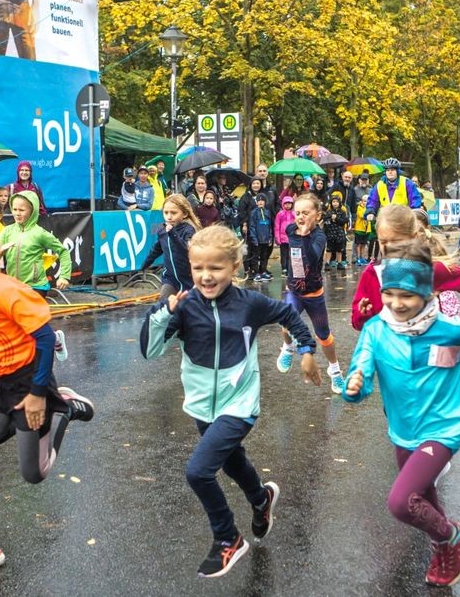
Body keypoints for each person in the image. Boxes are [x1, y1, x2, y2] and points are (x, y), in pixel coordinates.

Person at [342, 239, 460, 587]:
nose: (396, 304)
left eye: (407, 296)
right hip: (402, 430)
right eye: (390, 294)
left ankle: (449, 537)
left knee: (401, 502)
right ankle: (444, 546)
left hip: (443, 427)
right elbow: (361, 375)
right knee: (424, 497)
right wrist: (353, 387)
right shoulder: (375, 330)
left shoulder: (451, 328)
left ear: (427, 294)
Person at [139, 225, 321, 579]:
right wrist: (162, 313)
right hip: (202, 405)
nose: (206, 277)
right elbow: (149, 351)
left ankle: (228, 538)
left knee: (198, 471)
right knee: (231, 461)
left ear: (234, 266)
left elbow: (286, 314)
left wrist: (307, 350)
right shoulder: (184, 307)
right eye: (198, 269)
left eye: (216, 268)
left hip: (240, 404)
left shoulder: (249, 303)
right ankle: (261, 499)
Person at [0, 215, 95, 575]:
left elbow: (43, 338)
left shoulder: (8, 290)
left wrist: (40, 393)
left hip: (28, 385)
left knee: (33, 475)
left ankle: (63, 408)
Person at [352, 205, 460, 330]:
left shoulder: (427, 268)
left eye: (397, 241)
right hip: (387, 350)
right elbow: (357, 323)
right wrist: (363, 314)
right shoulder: (372, 273)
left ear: (413, 237)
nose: (389, 247)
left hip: (428, 349)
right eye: (383, 241)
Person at [275, 193, 342, 391]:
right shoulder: (290, 230)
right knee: (285, 321)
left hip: (314, 295)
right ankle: (288, 347)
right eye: (297, 213)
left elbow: (312, 259)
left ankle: (335, 369)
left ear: (318, 215)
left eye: (306, 212)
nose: (300, 216)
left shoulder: (319, 236)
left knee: (324, 336)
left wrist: (305, 236)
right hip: (294, 291)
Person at [0, 192, 72, 299]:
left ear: (32, 211)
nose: (17, 213)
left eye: (22, 210)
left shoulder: (39, 233)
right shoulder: (7, 231)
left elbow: (63, 251)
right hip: (14, 285)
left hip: (36, 286)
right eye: (14, 209)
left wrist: (64, 276)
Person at [140, 194, 200, 299]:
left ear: (184, 214)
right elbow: (157, 249)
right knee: (164, 305)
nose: (169, 217)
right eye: (166, 213)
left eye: (173, 213)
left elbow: (186, 250)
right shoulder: (162, 229)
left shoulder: (188, 230)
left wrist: (173, 234)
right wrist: (146, 263)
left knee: (189, 308)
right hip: (170, 278)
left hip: (188, 278)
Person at [246, 194, 274, 282]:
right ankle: (256, 272)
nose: (261, 202)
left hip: (265, 239)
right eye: (259, 200)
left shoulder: (267, 212)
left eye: (262, 200)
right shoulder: (254, 212)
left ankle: (263, 271)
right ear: (256, 202)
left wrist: (270, 237)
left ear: (265, 202)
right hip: (257, 239)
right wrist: (254, 238)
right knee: (255, 256)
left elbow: (269, 226)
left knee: (264, 256)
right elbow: (252, 226)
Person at [324, 192, 350, 270]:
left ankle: (339, 262)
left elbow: (345, 221)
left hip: (339, 233)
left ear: (339, 203)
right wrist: (330, 220)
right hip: (331, 233)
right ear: (331, 203)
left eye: (337, 202)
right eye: (333, 202)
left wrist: (336, 219)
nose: (335, 203)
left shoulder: (342, 212)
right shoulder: (329, 212)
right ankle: (327, 263)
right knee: (329, 249)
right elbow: (326, 221)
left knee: (339, 249)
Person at [273, 194, 295, 278]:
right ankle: (284, 268)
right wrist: (277, 238)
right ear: (283, 204)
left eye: (289, 203)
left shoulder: (294, 214)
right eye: (286, 203)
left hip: (292, 238)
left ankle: (290, 268)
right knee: (284, 255)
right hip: (283, 239)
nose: (288, 205)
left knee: (291, 254)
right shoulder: (280, 214)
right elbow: (277, 226)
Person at [353, 194, 373, 267]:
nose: (366, 203)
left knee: (364, 244)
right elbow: (362, 215)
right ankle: (358, 258)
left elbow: (371, 217)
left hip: (367, 229)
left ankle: (362, 257)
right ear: (361, 201)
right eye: (364, 201)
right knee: (358, 244)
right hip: (359, 229)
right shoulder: (359, 208)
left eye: (367, 201)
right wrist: (368, 214)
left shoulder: (370, 208)